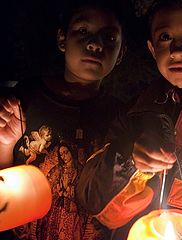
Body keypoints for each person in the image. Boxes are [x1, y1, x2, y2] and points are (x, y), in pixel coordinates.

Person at [76, 0, 182, 239]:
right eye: (165, 37)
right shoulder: (132, 115)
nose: (177, 50)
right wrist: (130, 159)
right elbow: (95, 205)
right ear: (153, 49)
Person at [0, 0, 126, 239]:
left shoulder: (120, 116)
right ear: (62, 39)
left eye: (109, 37)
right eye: (82, 31)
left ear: (122, 53)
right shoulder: (26, 97)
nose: (94, 44)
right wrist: (5, 144)